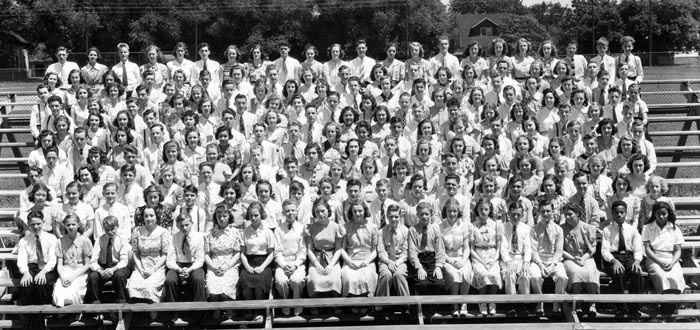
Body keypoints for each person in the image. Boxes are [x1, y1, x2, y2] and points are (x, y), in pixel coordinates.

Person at [642, 201, 685, 318]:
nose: (661, 217)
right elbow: (647, 249)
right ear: (654, 214)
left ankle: (672, 305)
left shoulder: (674, 228)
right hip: (654, 258)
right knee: (662, 276)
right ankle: (666, 305)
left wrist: (672, 262)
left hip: (671, 258)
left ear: (668, 214)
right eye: (658, 214)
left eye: (664, 214)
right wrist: (660, 262)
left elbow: (678, 251)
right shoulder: (648, 227)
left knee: (675, 275)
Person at [602, 200, 644, 318]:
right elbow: (605, 250)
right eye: (616, 212)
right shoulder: (607, 230)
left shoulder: (632, 230)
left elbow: (638, 248)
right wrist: (614, 261)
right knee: (618, 273)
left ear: (626, 213)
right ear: (612, 213)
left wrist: (637, 261)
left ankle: (634, 307)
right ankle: (621, 308)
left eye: (622, 212)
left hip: (629, 257)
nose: (619, 215)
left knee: (636, 273)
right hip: (614, 257)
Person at [163, 214, 207, 321]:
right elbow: (170, 260)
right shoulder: (173, 237)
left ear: (192, 223)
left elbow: (200, 259)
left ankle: (198, 315)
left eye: (187, 225)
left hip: (193, 265)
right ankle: (172, 313)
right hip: (177, 265)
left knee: (199, 279)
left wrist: (190, 269)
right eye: (181, 225)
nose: (185, 228)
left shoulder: (199, 237)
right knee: (170, 280)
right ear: (177, 226)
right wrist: (179, 269)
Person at [16, 210, 58, 320]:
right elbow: (22, 259)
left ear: (43, 222)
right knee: (27, 283)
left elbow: (53, 259)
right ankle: (30, 317)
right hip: (31, 267)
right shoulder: (24, 241)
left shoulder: (51, 238)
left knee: (41, 283)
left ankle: (44, 314)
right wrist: (25, 273)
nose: (36, 226)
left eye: (38, 223)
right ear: (28, 224)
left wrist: (43, 272)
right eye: (33, 224)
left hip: (47, 267)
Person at [305, 198, 344, 313]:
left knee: (335, 278)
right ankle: (315, 304)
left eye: (323, 211)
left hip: (332, 258)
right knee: (313, 278)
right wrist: (316, 264)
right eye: (317, 212)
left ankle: (336, 304)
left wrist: (332, 265)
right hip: (316, 258)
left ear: (328, 211)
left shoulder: (336, 227)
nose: (321, 214)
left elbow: (338, 249)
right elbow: (309, 250)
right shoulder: (310, 228)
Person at [561, 202, 599, 317]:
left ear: (577, 213)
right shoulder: (561, 228)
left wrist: (583, 258)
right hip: (569, 257)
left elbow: (593, 247)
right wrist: (573, 258)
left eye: (570, 214)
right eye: (565, 215)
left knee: (590, 271)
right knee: (575, 271)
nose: (567, 217)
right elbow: (559, 249)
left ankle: (592, 304)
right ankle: (576, 305)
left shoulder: (586, 228)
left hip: (586, 257)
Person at [240, 202, 276, 321]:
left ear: (261, 215)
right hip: (249, 262)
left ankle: (258, 310)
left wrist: (262, 267)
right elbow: (242, 253)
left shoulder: (267, 232)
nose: (254, 218)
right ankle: (249, 309)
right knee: (245, 279)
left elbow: (272, 253)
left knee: (259, 280)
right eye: (251, 216)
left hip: (264, 262)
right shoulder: (245, 232)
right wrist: (247, 266)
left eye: (256, 215)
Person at [341, 200, 378, 312]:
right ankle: (353, 304)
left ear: (365, 210)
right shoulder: (345, 226)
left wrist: (367, 261)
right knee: (349, 277)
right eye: (355, 211)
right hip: (351, 259)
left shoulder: (372, 227)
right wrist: (348, 261)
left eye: (360, 211)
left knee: (368, 275)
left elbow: (375, 250)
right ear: (351, 212)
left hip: (367, 259)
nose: (357, 214)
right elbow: (342, 249)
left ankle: (366, 304)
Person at [530, 201, 568, 313]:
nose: (546, 213)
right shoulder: (534, 229)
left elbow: (559, 250)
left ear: (553, 212)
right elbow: (534, 250)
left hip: (553, 260)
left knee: (562, 277)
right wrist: (541, 265)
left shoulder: (558, 230)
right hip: (539, 260)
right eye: (543, 211)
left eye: (548, 211)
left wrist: (553, 265)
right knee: (534, 277)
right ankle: (539, 301)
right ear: (539, 212)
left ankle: (556, 302)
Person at [127, 206, 169, 306]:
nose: (149, 218)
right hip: (141, 266)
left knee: (150, 286)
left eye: (151, 215)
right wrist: (140, 269)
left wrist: (153, 269)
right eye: (146, 216)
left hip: (157, 266)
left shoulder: (163, 232)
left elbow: (164, 254)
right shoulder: (137, 231)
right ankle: (137, 314)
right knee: (133, 285)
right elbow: (136, 253)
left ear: (156, 216)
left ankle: (153, 312)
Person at [204, 206, 241, 318]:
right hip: (214, 264)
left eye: (224, 216)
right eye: (219, 216)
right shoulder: (209, 234)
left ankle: (229, 310)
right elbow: (206, 254)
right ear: (215, 217)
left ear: (229, 217)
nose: (222, 218)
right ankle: (216, 311)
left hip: (230, 264)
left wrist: (227, 266)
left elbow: (237, 253)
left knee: (226, 286)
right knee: (212, 285)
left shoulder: (235, 232)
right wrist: (214, 267)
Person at [86, 216, 131, 304]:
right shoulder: (100, 239)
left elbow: (124, 260)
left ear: (117, 226)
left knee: (120, 276)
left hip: (118, 267)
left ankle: (120, 304)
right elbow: (93, 261)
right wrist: (99, 270)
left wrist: (113, 269)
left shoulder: (122, 239)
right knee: (93, 277)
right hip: (103, 267)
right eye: (107, 230)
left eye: (113, 229)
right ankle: (96, 306)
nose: (110, 232)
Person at [440, 198, 473, 317]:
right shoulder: (440, 227)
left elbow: (466, 247)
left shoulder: (464, 226)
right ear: (446, 211)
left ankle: (463, 303)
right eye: (449, 211)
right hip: (447, 258)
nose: (452, 214)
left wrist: (464, 261)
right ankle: (454, 304)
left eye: (454, 211)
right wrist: (450, 261)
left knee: (465, 272)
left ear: (458, 212)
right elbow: (440, 250)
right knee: (454, 274)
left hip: (462, 257)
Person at [274, 200, 307, 316]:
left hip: (297, 262)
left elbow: (303, 251)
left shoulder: (301, 228)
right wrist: (283, 265)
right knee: (281, 281)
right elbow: (277, 251)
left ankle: (297, 301)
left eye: (292, 210)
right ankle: (285, 301)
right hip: (283, 262)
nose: (290, 213)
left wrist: (295, 265)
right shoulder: (278, 230)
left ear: (296, 211)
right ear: (283, 213)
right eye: (287, 211)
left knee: (297, 280)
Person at [501, 201, 535, 315]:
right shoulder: (503, 227)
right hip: (508, 257)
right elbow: (503, 247)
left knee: (525, 275)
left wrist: (526, 262)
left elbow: (528, 248)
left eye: (518, 215)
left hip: (521, 258)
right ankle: (511, 304)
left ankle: (524, 304)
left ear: (522, 215)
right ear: (509, 213)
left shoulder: (526, 228)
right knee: (509, 274)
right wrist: (508, 261)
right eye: (513, 214)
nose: (515, 217)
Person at [53, 214, 92, 308]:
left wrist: (72, 277)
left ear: (78, 225)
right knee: (59, 292)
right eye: (68, 225)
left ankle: (74, 312)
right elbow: (59, 264)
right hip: (65, 271)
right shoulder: (60, 241)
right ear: (64, 226)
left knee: (70, 293)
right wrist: (62, 277)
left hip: (80, 272)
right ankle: (63, 316)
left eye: (73, 224)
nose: (71, 227)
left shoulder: (85, 240)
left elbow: (87, 265)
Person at [376, 204, 410, 308]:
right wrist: (389, 262)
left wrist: (396, 263)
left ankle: (405, 306)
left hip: (400, 261)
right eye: (391, 217)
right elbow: (381, 252)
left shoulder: (406, 231)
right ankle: (381, 306)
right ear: (387, 216)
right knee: (386, 275)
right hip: (386, 261)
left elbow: (405, 253)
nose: (393, 219)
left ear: (400, 217)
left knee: (399, 275)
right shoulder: (381, 232)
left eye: (396, 216)